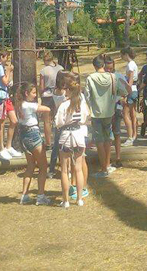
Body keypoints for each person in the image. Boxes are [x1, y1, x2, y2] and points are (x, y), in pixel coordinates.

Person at [84, 54, 128, 178]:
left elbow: (87, 95)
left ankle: (103, 168)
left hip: (96, 112)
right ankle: (107, 164)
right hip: (110, 111)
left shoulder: (90, 78)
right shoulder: (113, 77)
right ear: (103, 65)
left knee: (99, 141)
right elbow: (124, 91)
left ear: (94, 66)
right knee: (108, 138)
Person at [14, 83, 52, 205]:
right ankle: (40, 196)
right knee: (43, 166)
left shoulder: (20, 105)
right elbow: (47, 109)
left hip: (24, 136)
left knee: (30, 165)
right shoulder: (29, 106)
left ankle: (24, 195)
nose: (35, 96)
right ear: (27, 93)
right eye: (34, 93)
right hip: (33, 135)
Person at [55, 79, 90, 208]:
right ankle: (79, 199)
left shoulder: (64, 105)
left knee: (65, 170)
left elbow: (59, 122)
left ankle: (66, 201)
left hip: (66, 136)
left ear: (69, 90)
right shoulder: (82, 104)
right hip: (79, 136)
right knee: (78, 168)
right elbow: (85, 118)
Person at [0, 52, 20, 160]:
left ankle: (8, 146)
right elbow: (5, 81)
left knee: (14, 120)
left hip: (6, 97)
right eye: (6, 57)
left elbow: (7, 81)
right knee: (1, 123)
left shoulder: (1, 68)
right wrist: (9, 71)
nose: (7, 59)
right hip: (0, 97)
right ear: (1, 57)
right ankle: (1, 148)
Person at [38, 50, 63, 145]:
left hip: (47, 95)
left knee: (47, 121)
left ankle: (48, 143)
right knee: (58, 118)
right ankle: (59, 140)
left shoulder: (44, 71)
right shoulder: (60, 68)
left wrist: (40, 94)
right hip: (58, 95)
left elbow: (41, 86)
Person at [104, 55, 124, 168]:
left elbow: (125, 91)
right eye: (107, 68)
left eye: (110, 68)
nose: (108, 70)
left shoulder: (118, 76)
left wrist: (121, 98)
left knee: (116, 133)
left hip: (116, 107)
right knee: (107, 135)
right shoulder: (100, 77)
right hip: (105, 109)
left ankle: (118, 158)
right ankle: (107, 158)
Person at [121, 47, 139, 145]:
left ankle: (130, 136)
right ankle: (134, 135)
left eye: (122, 55)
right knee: (132, 113)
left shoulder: (131, 65)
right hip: (134, 89)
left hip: (131, 90)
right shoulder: (132, 64)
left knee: (126, 114)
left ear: (126, 54)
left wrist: (127, 93)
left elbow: (130, 80)